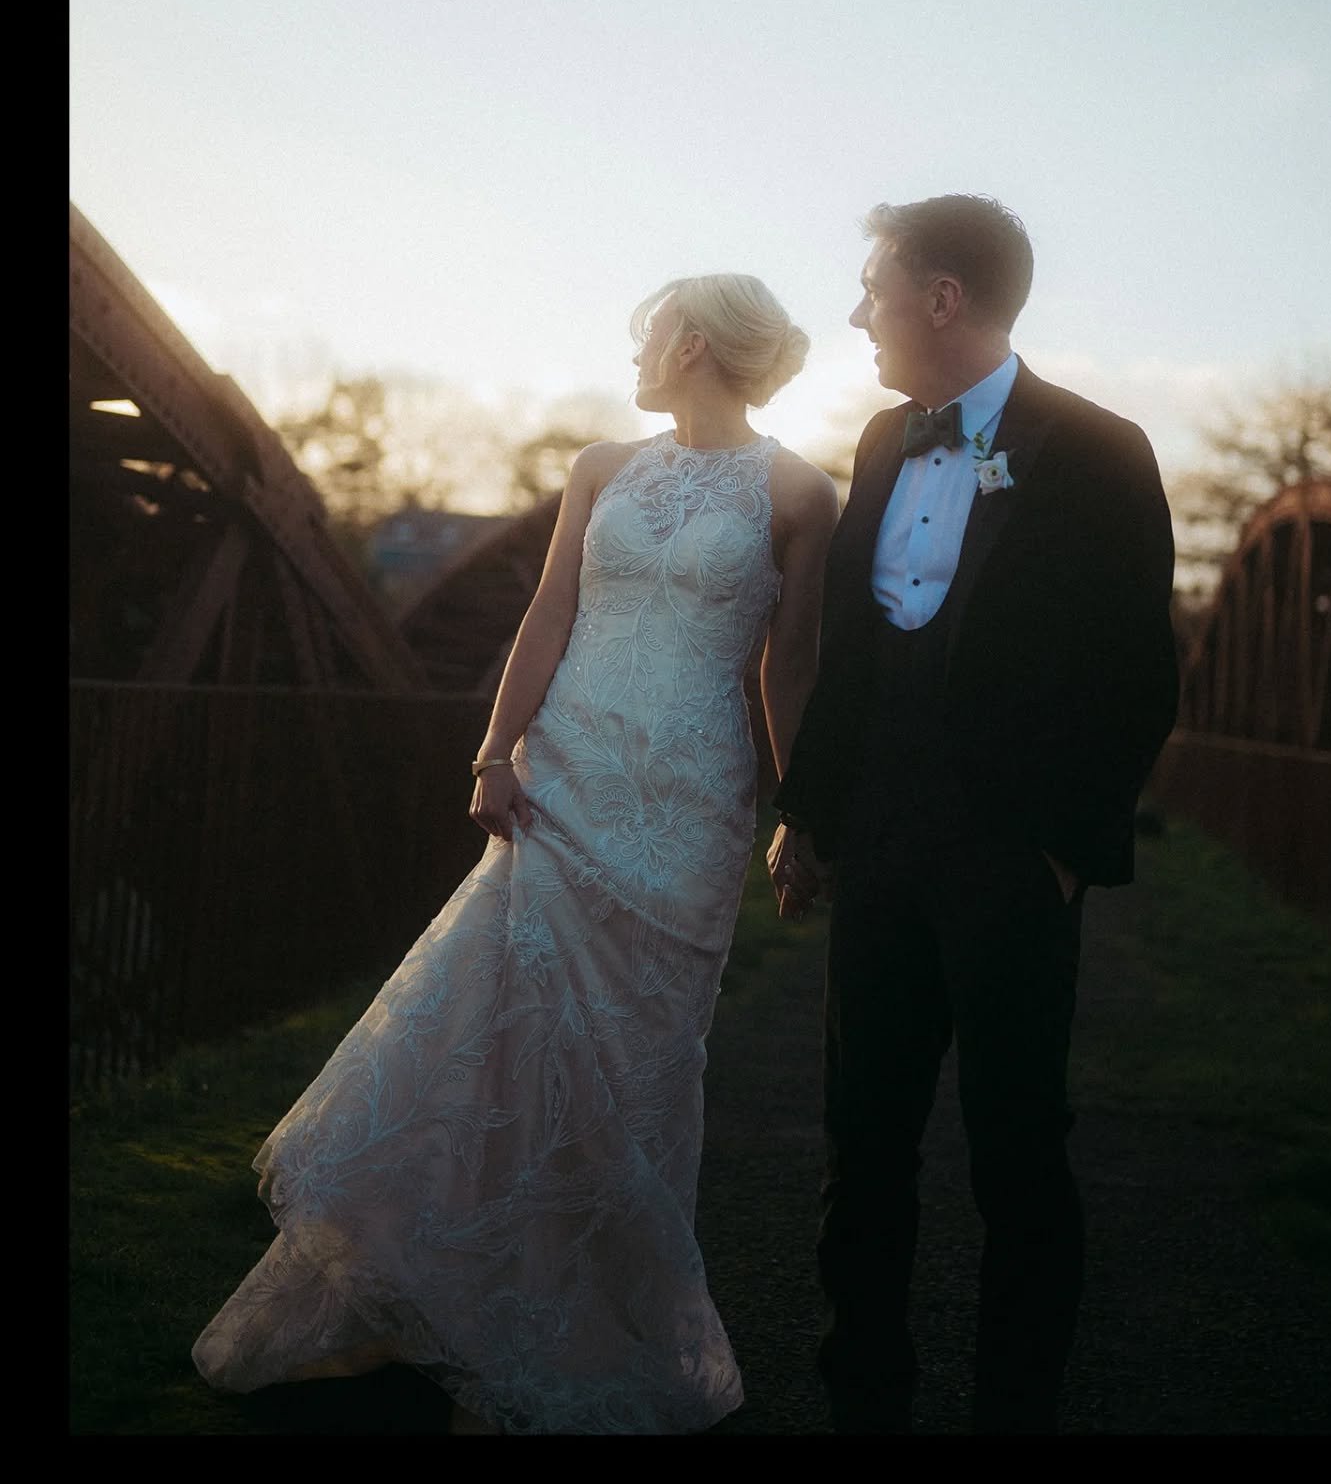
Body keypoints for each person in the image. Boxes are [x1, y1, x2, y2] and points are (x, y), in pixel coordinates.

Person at [192, 273, 839, 1436]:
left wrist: (804, 810)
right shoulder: (602, 467)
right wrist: (495, 750)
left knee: (632, 1068)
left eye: (650, 333)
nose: (636, 351)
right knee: (500, 1036)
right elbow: (548, 614)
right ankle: (457, 1309)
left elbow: (785, 664)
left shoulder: (800, 493)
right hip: (568, 776)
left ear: (693, 345)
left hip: (690, 803)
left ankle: (578, 1332)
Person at [767, 194, 1179, 1436]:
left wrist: (1065, 852)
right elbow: (851, 656)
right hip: (880, 848)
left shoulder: (1101, 451)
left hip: (1013, 862)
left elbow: (1138, 672)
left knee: (1018, 1156)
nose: (859, 315)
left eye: (875, 289)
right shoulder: (879, 442)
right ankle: (864, 1398)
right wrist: (807, 814)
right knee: (863, 1145)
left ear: (943, 299)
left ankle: (1015, 1411)